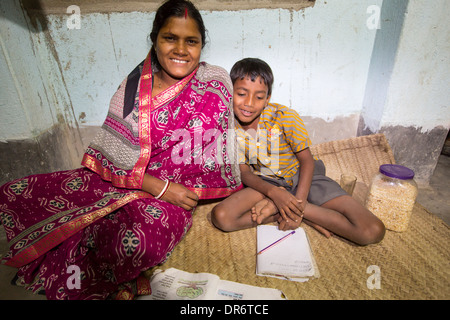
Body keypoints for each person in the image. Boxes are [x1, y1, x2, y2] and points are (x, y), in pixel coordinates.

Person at [0, 0, 241, 300]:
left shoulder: (215, 83)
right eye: (170, 38)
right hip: (135, 180)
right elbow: (112, 156)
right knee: (17, 191)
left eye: (191, 41)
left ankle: (111, 278)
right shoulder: (132, 90)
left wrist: (173, 193)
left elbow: (220, 152)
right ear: (154, 40)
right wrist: (159, 186)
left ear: (202, 44)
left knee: (136, 242)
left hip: (172, 197)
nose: (181, 49)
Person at [211, 58, 385, 246]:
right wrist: (275, 194)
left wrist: (298, 206)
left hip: (304, 178)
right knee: (222, 217)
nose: (249, 103)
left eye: (259, 97)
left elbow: (307, 161)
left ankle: (292, 209)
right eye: (242, 94)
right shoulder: (229, 129)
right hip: (267, 181)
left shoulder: (285, 117)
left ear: (268, 98)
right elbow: (244, 172)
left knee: (371, 230)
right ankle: (282, 208)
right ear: (230, 93)